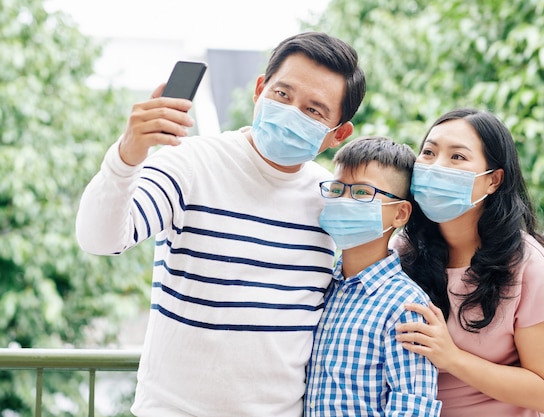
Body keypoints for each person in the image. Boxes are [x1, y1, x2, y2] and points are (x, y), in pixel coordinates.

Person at [75, 32, 366, 417]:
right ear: (259, 89)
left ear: (338, 134)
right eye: (282, 94)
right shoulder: (190, 163)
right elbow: (99, 239)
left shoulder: (332, 201)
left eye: (314, 110)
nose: (292, 111)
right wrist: (127, 154)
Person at [394, 108, 544, 417]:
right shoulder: (401, 251)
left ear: (493, 180)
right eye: (429, 152)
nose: (437, 166)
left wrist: (452, 358)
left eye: (457, 157)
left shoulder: (528, 264)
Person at [304, 136, 442, 417]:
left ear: (400, 213)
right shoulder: (322, 286)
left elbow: (413, 408)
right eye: (337, 189)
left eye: (363, 192)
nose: (344, 200)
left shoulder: (406, 306)